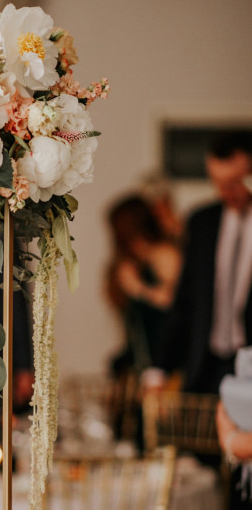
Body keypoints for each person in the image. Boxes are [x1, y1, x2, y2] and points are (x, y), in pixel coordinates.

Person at [154, 130, 252, 395]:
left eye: (235, 182)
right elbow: (186, 298)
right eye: (218, 183)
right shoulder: (202, 222)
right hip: (206, 365)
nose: (226, 192)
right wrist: (160, 368)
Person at [106, 194, 182, 373]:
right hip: (142, 357)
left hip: (169, 356)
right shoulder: (129, 264)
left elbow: (176, 302)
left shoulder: (164, 254)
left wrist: (139, 289)